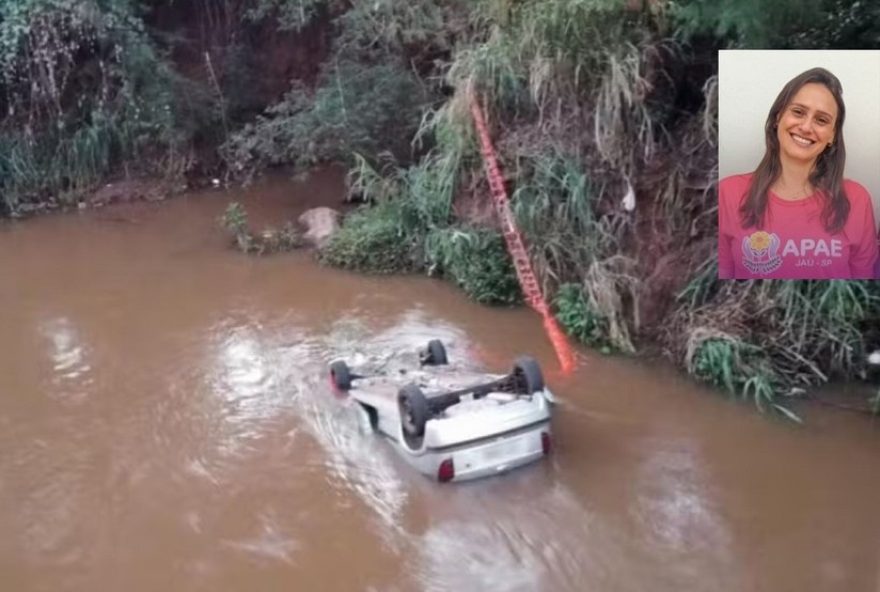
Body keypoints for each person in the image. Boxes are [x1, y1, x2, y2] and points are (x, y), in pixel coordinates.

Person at [718, 67, 877, 279]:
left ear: (832, 136)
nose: (806, 127)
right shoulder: (728, 193)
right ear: (778, 117)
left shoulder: (856, 199)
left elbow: (862, 290)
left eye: (821, 120)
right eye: (798, 112)